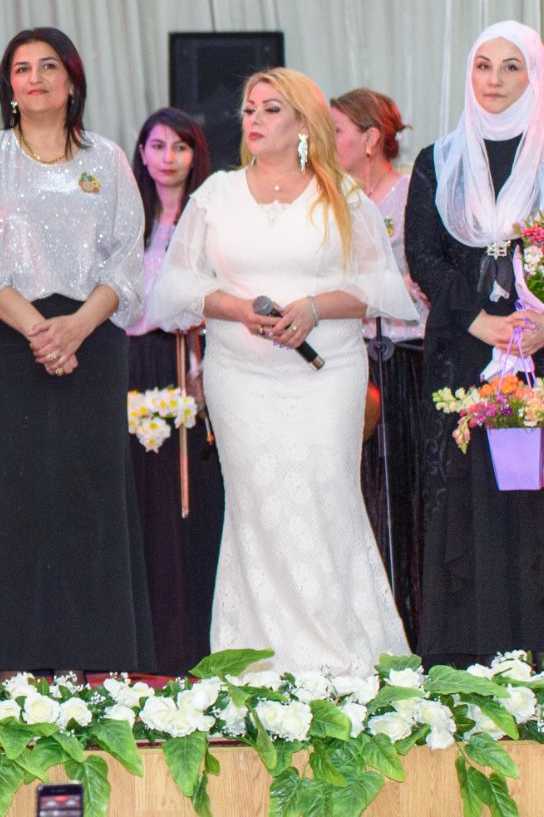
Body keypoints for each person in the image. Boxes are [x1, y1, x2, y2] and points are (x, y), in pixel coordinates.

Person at [148, 70, 418, 672]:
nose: (255, 119)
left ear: (302, 121)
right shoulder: (216, 195)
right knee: (258, 504)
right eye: (249, 109)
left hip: (327, 375)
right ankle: (261, 660)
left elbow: (378, 287)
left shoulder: (341, 195)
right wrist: (237, 308)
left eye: (271, 109)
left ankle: (341, 655)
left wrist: (315, 307)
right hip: (241, 381)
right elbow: (178, 287)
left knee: (324, 496)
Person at [404, 22, 544, 665]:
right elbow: (425, 256)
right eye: (484, 65)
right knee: (473, 499)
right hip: (465, 355)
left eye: (512, 67)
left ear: (534, 76)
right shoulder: (437, 162)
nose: (495, 80)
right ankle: (474, 659)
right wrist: (482, 323)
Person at [0, 27, 149, 674]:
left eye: (47, 66)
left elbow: (126, 259)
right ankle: (13, 660)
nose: (34, 78)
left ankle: (99, 657)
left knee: (89, 496)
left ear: (71, 80)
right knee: (16, 498)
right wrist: (42, 330)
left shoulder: (107, 158)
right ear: (8, 86)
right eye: (21, 68)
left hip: (92, 342)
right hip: (8, 342)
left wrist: (76, 327)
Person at [124, 107, 223, 676]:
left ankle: (193, 640)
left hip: (189, 359)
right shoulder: (126, 220)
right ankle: (144, 641)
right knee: (143, 498)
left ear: (194, 155)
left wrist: (204, 364)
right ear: (142, 153)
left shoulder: (208, 219)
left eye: (179, 147)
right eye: (158, 146)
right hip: (134, 363)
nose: (168, 158)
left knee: (189, 499)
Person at [331, 87, 426, 636]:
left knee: (404, 490)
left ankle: (413, 615)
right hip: (351, 357)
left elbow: (430, 271)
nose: (328, 142)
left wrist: (409, 285)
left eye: (337, 131)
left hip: (407, 356)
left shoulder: (411, 192)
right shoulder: (332, 201)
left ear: (370, 138)